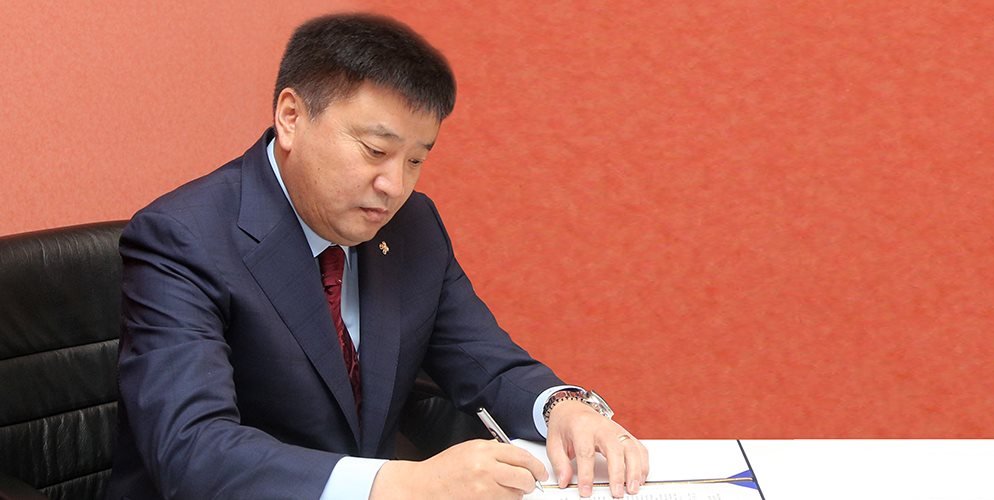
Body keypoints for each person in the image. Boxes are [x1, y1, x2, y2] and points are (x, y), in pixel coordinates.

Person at [107, 13, 647, 500]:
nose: (394, 186)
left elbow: (484, 360)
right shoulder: (182, 238)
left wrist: (562, 406)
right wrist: (402, 483)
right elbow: (192, 450)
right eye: (375, 151)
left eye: (415, 160)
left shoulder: (413, 226)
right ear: (291, 116)